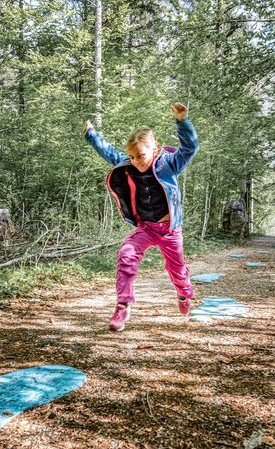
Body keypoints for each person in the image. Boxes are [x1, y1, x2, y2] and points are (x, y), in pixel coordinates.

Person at [83, 103, 200, 331]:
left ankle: (185, 295)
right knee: (126, 254)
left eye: (140, 155)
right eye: (132, 156)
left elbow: (190, 148)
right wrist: (92, 135)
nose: (136, 160)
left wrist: (183, 122)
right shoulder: (129, 166)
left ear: (155, 149)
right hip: (146, 228)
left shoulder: (169, 164)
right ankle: (123, 304)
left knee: (176, 270)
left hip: (169, 230)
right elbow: (108, 152)